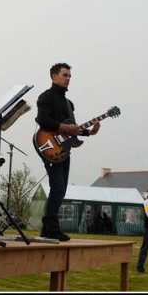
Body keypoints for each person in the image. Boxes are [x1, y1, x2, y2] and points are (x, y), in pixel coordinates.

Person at [35, 62, 100, 241]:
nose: (68, 79)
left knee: (60, 189)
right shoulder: (46, 97)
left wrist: (91, 131)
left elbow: (73, 130)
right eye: (65, 75)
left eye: (70, 76)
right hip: (49, 146)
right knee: (58, 187)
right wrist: (65, 127)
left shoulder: (69, 103)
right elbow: (42, 120)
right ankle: (51, 228)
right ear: (54, 76)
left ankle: (48, 228)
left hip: (65, 149)